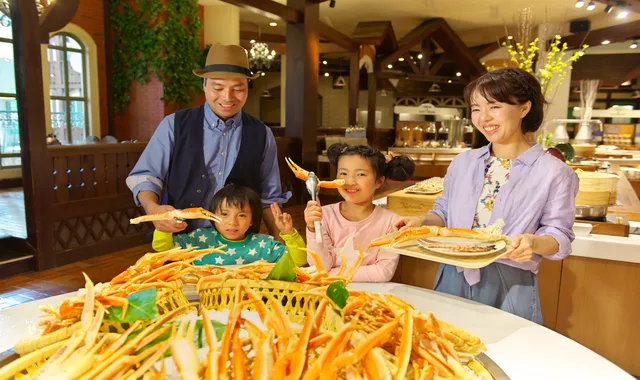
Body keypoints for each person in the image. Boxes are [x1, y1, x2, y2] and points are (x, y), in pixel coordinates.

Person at [395, 68, 579, 324]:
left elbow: (559, 233)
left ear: (524, 108)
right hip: (452, 273)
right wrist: (423, 223)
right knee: (445, 351)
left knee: (507, 357)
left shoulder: (555, 172)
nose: (484, 118)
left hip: (509, 282)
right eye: (476, 108)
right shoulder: (463, 162)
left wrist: (534, 243)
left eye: (494, 106)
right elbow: (444, 211)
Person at [126, 44, 289, 237]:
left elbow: (269, 199)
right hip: (182, 243)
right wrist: (152, 208)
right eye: (218, 87)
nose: (227, 97)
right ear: (204, 85)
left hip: (240, 248)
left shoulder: (262, 134)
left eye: (238, 88)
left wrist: (281, 248)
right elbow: (147, 175)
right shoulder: (174, 125)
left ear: (247, 87)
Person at [304, 144, 415, 282]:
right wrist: (313, 228)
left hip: (372, 297)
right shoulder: (324, 215)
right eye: (343, 173)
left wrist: (330, 274)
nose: (350, 181)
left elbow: (383, 272)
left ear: (379, 181)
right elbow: (320, 266)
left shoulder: (391, 222)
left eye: (360, 174)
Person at [152, 184, 306, 267]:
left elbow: (298, 261)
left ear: (252, 220)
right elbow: (163, 249)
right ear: (212, 215)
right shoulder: (200, 239)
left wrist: (289, 234)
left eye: (241, 215)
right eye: (224, 214)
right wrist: (163, 227)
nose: (232, 222)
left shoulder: (263, 245)